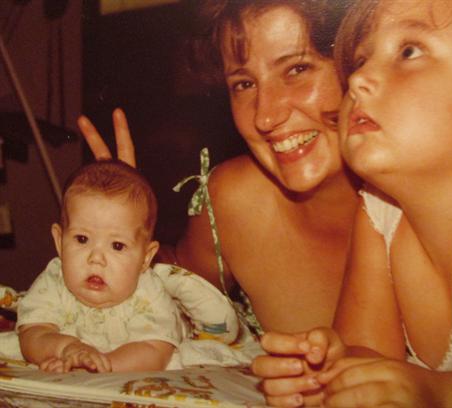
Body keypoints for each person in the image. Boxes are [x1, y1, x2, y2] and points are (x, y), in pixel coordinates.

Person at [253, 0, 452, 406]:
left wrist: (444, 395)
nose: (357, 80)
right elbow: (368, 351)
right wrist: (331, 373)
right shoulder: (380, 211)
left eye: (409, 51)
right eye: (360, 60)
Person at [78, 0, 358, 338]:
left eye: (297, 69)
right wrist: (118, 223)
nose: (265, 116)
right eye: (244, 84)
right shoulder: (236, 201)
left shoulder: (411, 197)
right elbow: (177, 294)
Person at [18, 161, 180, 372]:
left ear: (145, 257)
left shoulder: (149, 292)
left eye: (117, 245)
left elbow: (155, 350)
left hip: (121, 368)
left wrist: (102, 366)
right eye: (82, 239)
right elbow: (32, 334)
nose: (96, 258)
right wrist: (66, 349)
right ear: (59, 241)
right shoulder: (53, 281)